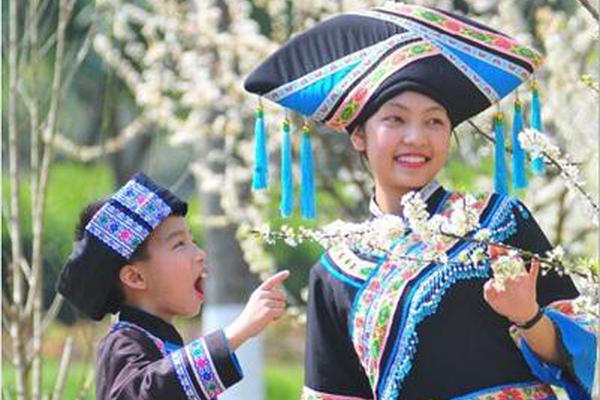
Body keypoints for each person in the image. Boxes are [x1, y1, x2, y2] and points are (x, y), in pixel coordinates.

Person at [243, 3, 596, 399]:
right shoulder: (334, 273)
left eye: (434, 121)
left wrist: (527, 317)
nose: (416, 138)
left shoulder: (500, 224)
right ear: (358, 135)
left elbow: (584, 356)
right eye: (395, 119)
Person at [56, 172, 289, 399]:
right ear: (135, 277)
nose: (200, 254)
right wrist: (237, 331)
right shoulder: (122, 344)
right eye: (179, 244)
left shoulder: (164, 343)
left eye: (192, 241)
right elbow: (149, 392)